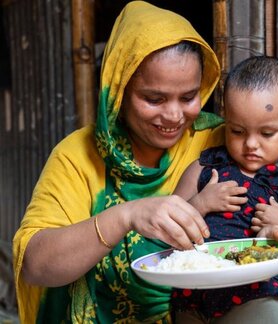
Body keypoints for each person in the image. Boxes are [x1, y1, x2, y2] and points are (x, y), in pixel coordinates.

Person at [12, 1, 229, 323]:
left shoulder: (218, 141)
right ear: (118, 91)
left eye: (188, 97)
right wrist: (126, 215)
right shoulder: (78, 156)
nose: (173, 116)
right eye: (154, 99)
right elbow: (36, 265)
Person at [172, 56, 278, 323]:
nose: (251, 144)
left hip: (259, 296)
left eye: (266, 133)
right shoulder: (204, 169)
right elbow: (166, 229)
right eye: (238, 131)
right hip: (194, 296)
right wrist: (199, 204)